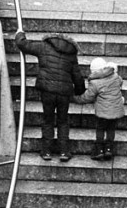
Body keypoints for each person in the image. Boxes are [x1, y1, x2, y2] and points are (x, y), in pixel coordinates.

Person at [14, 30, 85, 162]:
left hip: (47, 90)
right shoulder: (71, 52)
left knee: (48, 120)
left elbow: (23, 44)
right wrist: (80, 91)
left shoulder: (44, 46)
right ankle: (64, 152)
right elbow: (77, 75)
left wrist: (20, 34)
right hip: (64, 92)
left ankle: (46, 151)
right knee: (63, 121)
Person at [73, 57, 125, 161]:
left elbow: (87, 97)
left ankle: (99, 149)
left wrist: (75, 98)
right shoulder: (115, 76)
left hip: (103, 111)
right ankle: (109, 149)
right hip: (116, 109)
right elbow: (120, 82)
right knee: (111, 129)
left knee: (100, 128)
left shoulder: (95, 83)